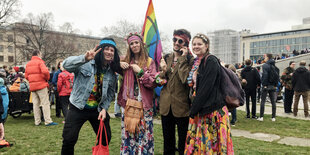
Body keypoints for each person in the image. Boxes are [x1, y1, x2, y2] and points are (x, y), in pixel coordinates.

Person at [61, 38, 120, 155]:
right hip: (78, 107)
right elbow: (65, 65)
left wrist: (104, 109)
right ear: (100, 50)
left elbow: (110, 93)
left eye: (112, 50)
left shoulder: (112, 71)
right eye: (106, 49)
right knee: (69, 139)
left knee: (105, 137)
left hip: (97, 110)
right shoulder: (85, 63)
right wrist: (84, 58)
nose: (109, 52)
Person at [184, 33, 234, 154]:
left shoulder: (211, 60)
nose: (196, 46)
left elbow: (206, 88)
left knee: (212, 145)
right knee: (207, 145)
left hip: (213, 111)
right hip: (205, 108)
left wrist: (193, 110)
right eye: (194, 44)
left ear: (206, 46)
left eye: (199, 44)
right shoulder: (201, 62)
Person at [117, 33, 157, 154]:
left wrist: (140, 72)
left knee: (144, 135)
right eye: (131, 44)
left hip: (144, 105)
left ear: (141, 44)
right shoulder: (125, 60)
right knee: (129, 133)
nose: (134, 45)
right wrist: (118, 65)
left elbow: (153, 83)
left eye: (136, 42)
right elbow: (110, 64)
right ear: (129, 47)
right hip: (128, 104)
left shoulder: (149, 62)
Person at [158, 29, 194, 155]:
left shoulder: (190, 60)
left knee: (182, 142)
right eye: (175, 39)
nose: (176, 43)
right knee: (168, 142)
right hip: (166, 106)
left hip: (182, 107)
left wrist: (183, 58)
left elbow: (185, 79)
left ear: (186, 44)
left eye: (180, 41)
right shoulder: (166, 57)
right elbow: (160, 79)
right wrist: (162, 71)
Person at [25, 50, 57, 126]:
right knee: (45, 103)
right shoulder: (40, 62)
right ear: (38, 54)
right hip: (41, 85)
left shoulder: (28, 64)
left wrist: (32, 81)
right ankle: (48, 121)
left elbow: (26, 76)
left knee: (35, 104)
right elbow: (45, 72)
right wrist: (46, 78)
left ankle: (37, 121)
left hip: (33, 86)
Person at [258, 53, 278, 122]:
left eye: (265, 57)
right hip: (273, 86)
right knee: (273, 102)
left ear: (268, 57)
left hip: (266, 85)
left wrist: (264, 84)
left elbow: (265, 75)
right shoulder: (274, 66)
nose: (264, 58)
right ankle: (273, 117)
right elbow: (277, 76)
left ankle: (261, 117)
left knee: (263, 101)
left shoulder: (265, 65)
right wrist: (275, 85)